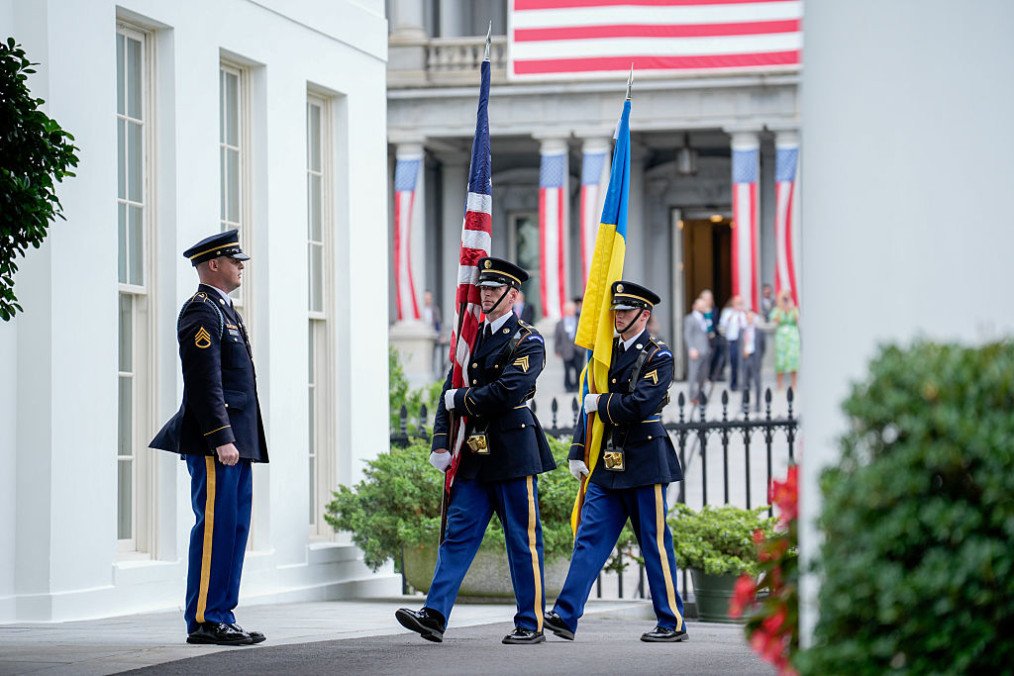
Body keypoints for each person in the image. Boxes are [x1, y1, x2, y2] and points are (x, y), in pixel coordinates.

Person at [396, 257, 557, 645]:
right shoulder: (471, 335)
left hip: (513, 452)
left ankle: (530, 621)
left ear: (513, 295)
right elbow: (447, 391)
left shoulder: (527, 340)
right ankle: (435, 614)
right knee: (458, 536)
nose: (485, 294)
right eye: (482, 287)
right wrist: (439, 441)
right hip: (473, 453)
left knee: (522, 539)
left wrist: (462, 399)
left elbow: (507, 392)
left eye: (494, 288)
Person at [544, 281, 687, 643]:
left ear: (645, 314)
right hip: (607, 462)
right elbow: (587, 404)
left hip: (643, 461)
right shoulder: (604, 355)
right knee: (589, 538)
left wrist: (603, 403)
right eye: (616, 310)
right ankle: (565, 614)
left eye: (626, 310)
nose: (618, 316)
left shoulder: (659, 356)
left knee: (653, 542)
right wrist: (578, 449)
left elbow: (641, 404)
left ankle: (672, 621)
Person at [150, 229, 268, 647]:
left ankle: (223, 613)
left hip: (238, 440)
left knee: (234, 528)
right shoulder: (202, 311)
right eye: (235, 261)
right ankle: (204, 618)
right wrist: (221, 437)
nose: (240, 267)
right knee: (216, 527)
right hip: (217, 443)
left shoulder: (226, 310)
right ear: (213, 264)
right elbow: (203, 382)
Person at [771, 290, 801, 390]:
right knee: (780, 361)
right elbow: (775, 320)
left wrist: (791, 308)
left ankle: (794, 384)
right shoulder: (778, 309)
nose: (786, 300)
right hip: (781, 338)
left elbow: (797, 319)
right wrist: (782, 309)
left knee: (793, 360)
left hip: (792, 337)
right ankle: (780, 384)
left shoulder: (794, 309)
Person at [683, 298, 710, 405]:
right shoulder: (690, 318)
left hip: (705, 351)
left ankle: (700, 395)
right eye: (701, 305)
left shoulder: (704, 318)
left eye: (704, 305)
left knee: (703, 376)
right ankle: (692, 396)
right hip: (696, 351)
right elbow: (687, 335)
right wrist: (691, 348)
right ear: (696, 305)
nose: (703, 307)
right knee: (693, 375)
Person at [719, 295, 746, 392]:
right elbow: (722, 325)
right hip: (733, 341)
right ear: (733, 303)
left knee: (743, 364)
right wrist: (732, 315)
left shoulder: (744, 313)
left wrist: (741, 314)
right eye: (737, 302)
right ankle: (733, 383)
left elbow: (746, 325)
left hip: (743, 342)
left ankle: (744, 383)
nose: (739, 304)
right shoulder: (727, 312)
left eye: (740, 302)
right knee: (734, 362)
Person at [741, 309, 766, 411]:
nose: (750, 319)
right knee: (745, 383)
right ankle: (744, 404)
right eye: (748, 317)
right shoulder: (742, 330)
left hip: (755, 357)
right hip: (745, 358)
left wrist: (759, 357)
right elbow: (739, 346)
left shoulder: (759, 332)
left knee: (757, 382)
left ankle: (758, 404)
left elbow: (763, 347)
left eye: (751, 317)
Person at [554, 300, 581, 392]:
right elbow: (557, 337)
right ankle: (568, 386)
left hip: (578, 349)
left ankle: (578, 385)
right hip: (566, 350)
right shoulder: (560, 323)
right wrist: (557, 349)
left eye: (572, 309)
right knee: (567, 370)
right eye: (568, 310)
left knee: (578, 369)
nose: (570, 311)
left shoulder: (579, 322)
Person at [422, 290, 446, 375]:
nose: (427, 300)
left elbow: (438, 323)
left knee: (434, 356)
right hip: (423, 336)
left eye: (429, 298)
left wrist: (441, 335)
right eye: (426, 298)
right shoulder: (421, 309)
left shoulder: (434, 309)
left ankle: (434, 373)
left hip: (433, 336)